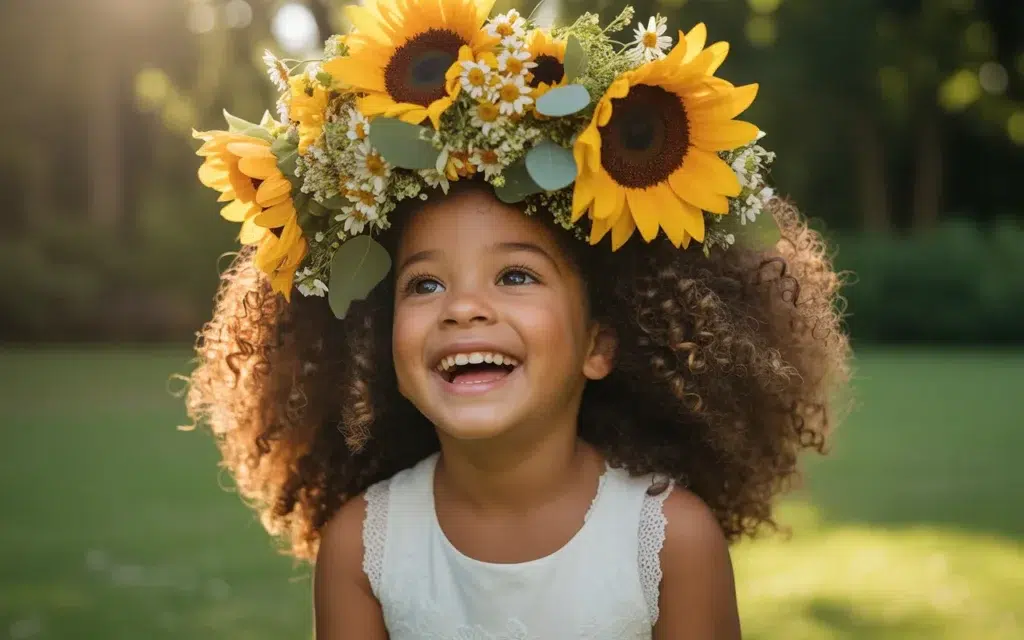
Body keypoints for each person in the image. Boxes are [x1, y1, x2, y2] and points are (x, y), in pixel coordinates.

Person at [185, 2, 851, 638]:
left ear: (600, 343)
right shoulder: (362, 549)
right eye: (425, 284)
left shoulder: (671, 542)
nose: (464, 307)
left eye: (515, 276)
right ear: (379, 338)